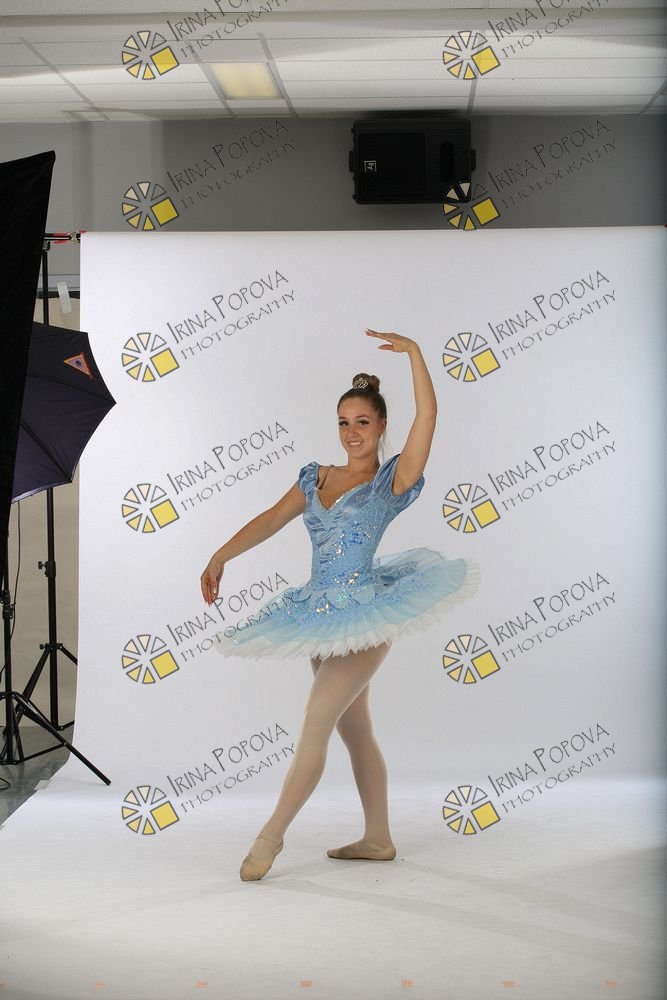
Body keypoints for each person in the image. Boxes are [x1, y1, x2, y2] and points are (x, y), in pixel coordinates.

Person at [200, 329, 479, 881]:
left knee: (315, 723)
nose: (353, 433)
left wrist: (416, 355)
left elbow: (428, 417)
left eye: (363, 423)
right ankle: (378, 840)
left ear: (381, 427)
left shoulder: (390, 481)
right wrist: (220, 555)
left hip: (366, 615)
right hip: (317, 617)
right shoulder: (316, 477)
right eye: (344, 423)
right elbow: (269, 520)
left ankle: (269, 838)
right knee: (356, 731)